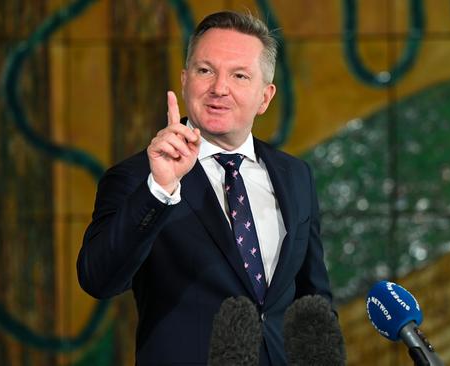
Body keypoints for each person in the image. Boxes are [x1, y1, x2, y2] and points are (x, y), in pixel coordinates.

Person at [77, 11, 334, 365]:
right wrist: (159, 190)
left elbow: (313, 301)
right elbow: (98, 279)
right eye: (205, 71)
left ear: (265, 96)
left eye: (239, 75)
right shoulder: (138, 178)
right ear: (185, 81)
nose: (219, 88)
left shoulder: (295, 175)